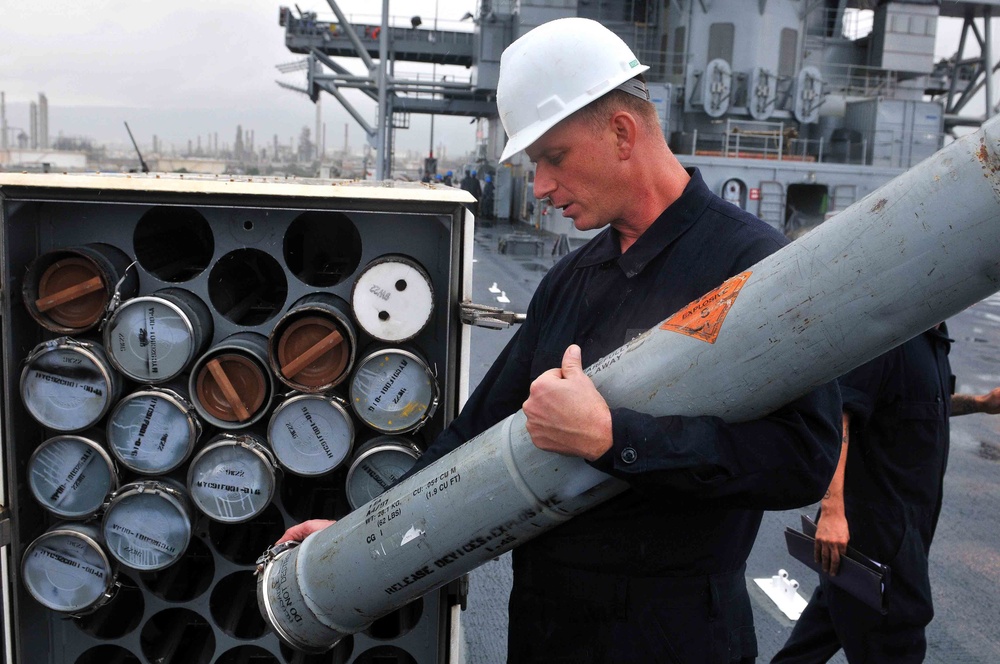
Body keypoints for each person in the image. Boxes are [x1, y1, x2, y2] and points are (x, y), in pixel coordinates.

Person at [277, 17, 842, 663]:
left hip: (674, 635)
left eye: (553, 157)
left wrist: (613, 440)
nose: (540, 187)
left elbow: (803, 457)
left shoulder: (751, 267)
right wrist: (359, 540)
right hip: (547, 625)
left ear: (622, 132)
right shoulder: (573, 276)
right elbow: (476, 433)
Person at [772, 326, 1000, 663]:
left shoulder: (934, 339)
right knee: (898, 644)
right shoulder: (892, 338)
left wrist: (981, 404)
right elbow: (841, 414)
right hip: (878, 538)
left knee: (822, 630)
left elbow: (922, 406)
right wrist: (833, 511)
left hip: (903, 530)